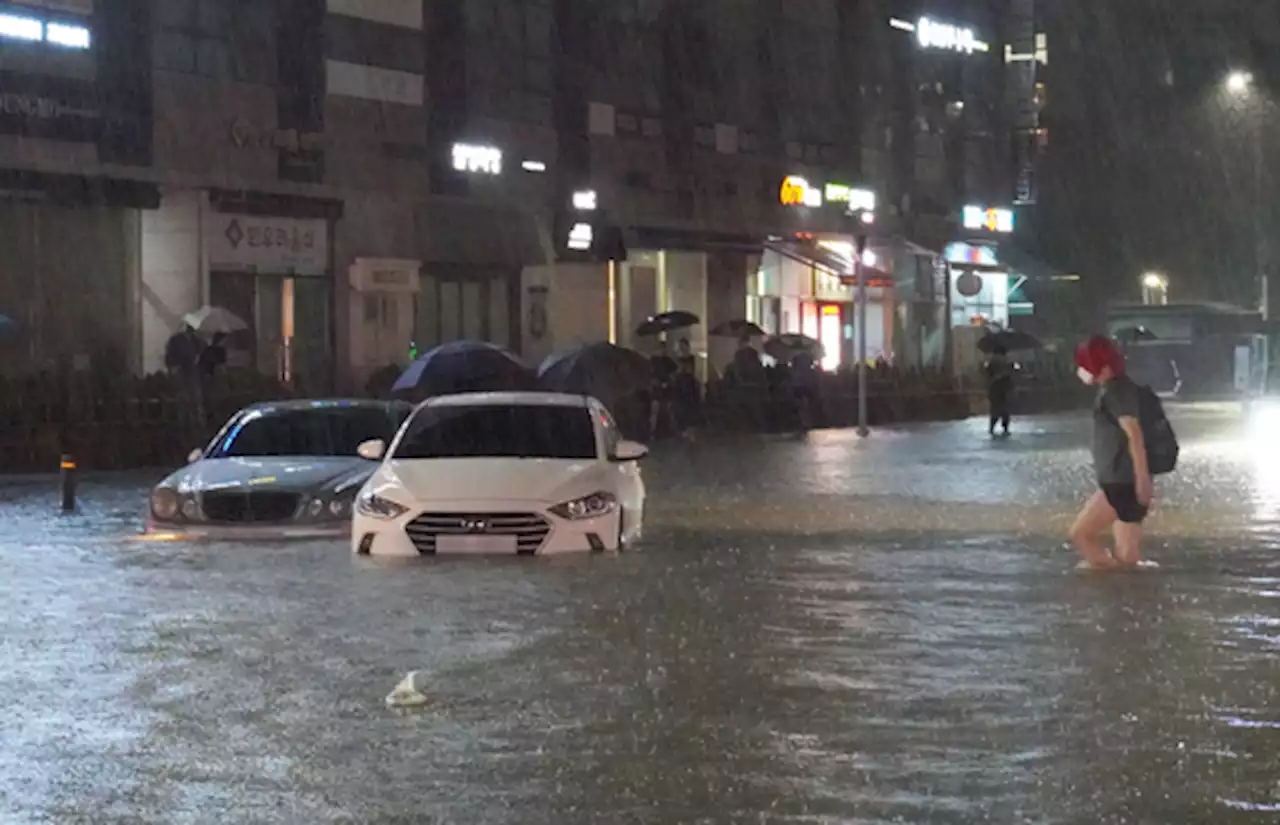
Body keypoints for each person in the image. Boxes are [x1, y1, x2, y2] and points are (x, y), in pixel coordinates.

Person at [1068, 336, 1152, 571]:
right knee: (1128, 557)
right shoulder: (1122, 388)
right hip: (1124, 480)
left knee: (1081, 535)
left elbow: (1134, 433)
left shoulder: (1114, 392)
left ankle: (1114, 586)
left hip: (1122, 483)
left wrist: (1142, 479)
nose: (1082, 370)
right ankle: (1131, 599)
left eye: (1085, 364)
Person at [984, 345, 1015, 436]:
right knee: (1005, 409)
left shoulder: (991, 360)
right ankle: (1005, 428)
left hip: (994, 387)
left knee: (995, 409)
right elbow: (1011, 372)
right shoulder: (1007, 360)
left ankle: (992, 427)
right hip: (1004, 387)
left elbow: (988, 372)